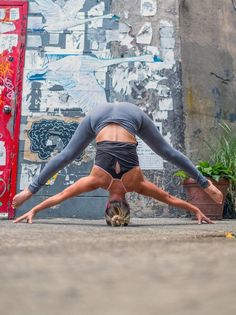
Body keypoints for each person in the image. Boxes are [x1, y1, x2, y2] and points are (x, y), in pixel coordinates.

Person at [13, 102, 223, 225]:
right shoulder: (96, 181)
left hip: (130, 115)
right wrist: (31, 204)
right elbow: (60, 196)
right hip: (100, 116)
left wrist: (197, 208)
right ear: (107, 206)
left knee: (167, 152)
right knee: (67, 155)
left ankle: (206, 184)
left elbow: (169, 198)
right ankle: (206, 183)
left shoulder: (137, 184)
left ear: (127, 205)